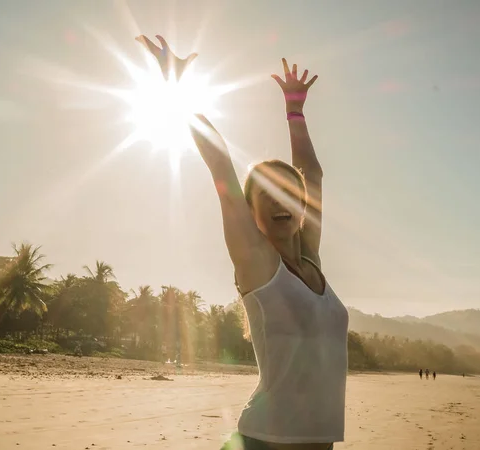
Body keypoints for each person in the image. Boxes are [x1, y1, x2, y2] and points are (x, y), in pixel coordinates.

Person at [137, 35, 348, 450]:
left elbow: (313, 175)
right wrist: (175, 86)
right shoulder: (257, 264)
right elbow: (218, 159)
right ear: (249, 212)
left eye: (288, 192)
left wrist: (294, 112)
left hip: (319, 442)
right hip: (265, 441)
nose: (278, 201)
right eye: (264, 194)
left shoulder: (312, 262)